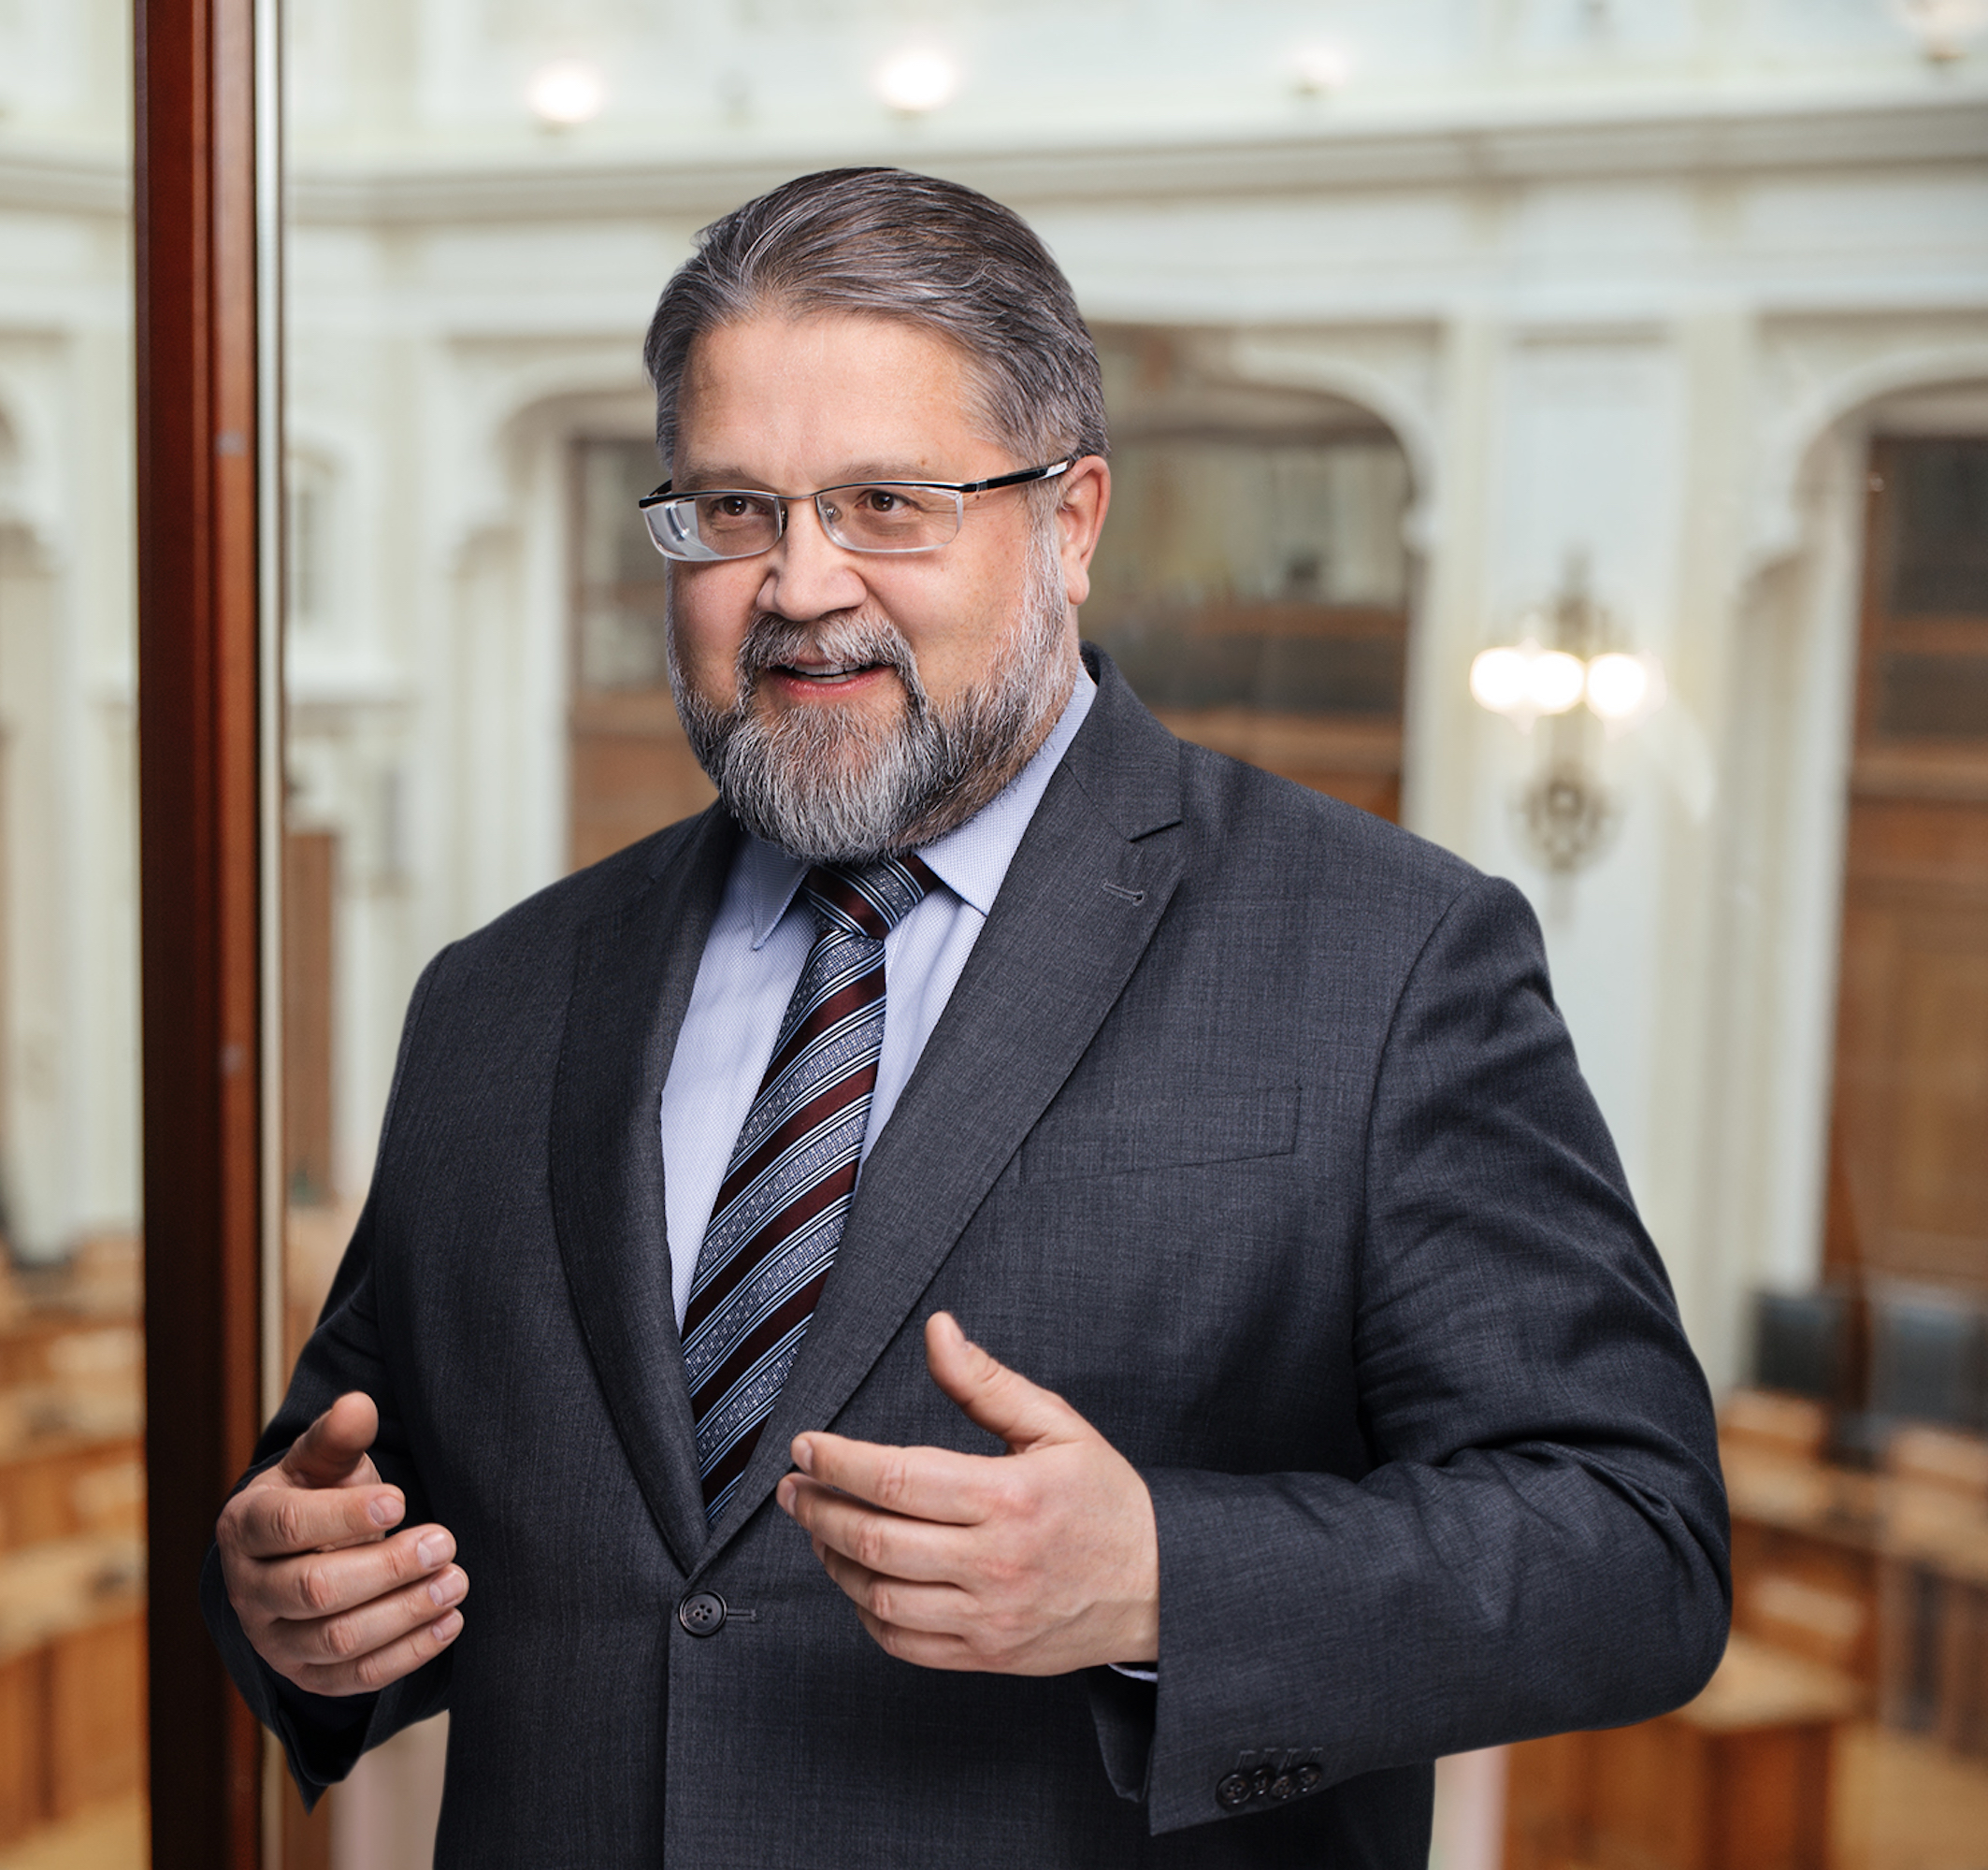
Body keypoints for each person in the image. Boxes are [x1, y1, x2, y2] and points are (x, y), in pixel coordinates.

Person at [202, 166, 1728, 1866]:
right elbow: (353, 1507)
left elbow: (1637, 1546)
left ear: (1070, 522)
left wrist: (1157, 1582)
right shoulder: (499, 995)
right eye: (732, 510)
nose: (799, 584)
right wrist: (287, 1602)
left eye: (886, 503)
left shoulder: (1387, 956)